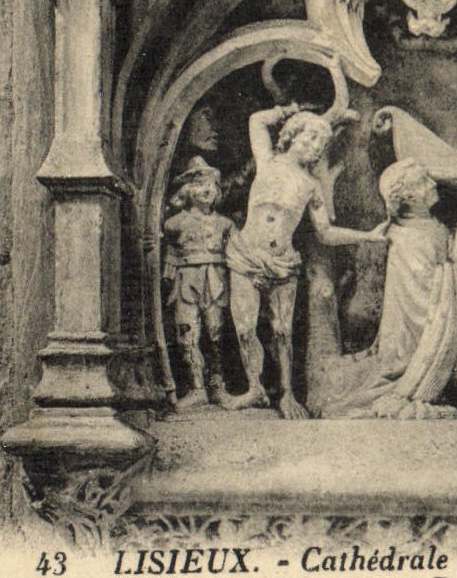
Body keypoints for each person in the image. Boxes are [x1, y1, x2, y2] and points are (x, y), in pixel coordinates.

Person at [224, 106, 387, 418]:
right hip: (246, 254)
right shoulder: (267, 160)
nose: (314, 147)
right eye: (310, 137)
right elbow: (255, 119)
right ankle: (254, 388)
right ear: (291, 135)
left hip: (283, 262)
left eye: (320, 144)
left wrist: (367, 236)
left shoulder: (311, 185)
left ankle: (287, 395)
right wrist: (289, 110)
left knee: (282, 331)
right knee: (245, 328)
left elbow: (325, 232)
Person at [321, 158, 457, 418]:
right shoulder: (408, 239)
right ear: (408, 196)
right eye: (424, 181)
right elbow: (426, 304)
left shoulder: (429, 227)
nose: (433, 183)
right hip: (414, 345)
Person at [162, 156, 234, 410]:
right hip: (186, 281)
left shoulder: (226, 224)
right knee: (187, 333)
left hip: (216, 281)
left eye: (211, 185)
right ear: (187, 190)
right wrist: (167, 275)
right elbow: (170, 252)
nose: (206, 190)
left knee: (216, 333)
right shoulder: (175, 223)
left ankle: (217, 386)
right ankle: (196, 388)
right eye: (199, 184)